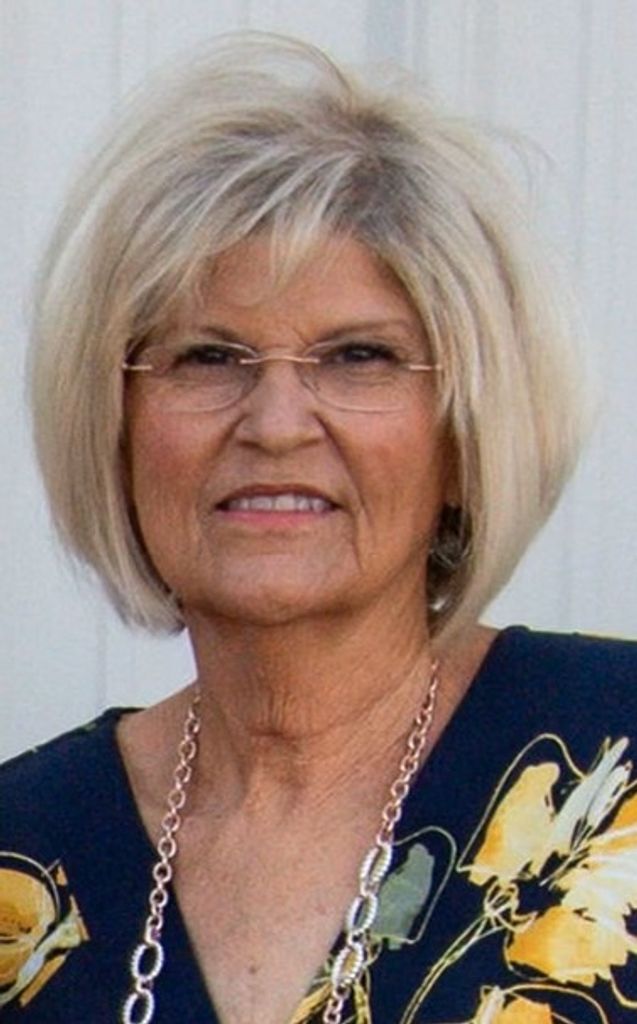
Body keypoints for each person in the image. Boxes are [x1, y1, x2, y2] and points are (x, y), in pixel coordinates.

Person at [1, 31, 636, 1024]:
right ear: (113, 427)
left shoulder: (614, 757)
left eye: (358, 357)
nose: (276, 423)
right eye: (208, 357)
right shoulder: (23, 851)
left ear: (466, 432)